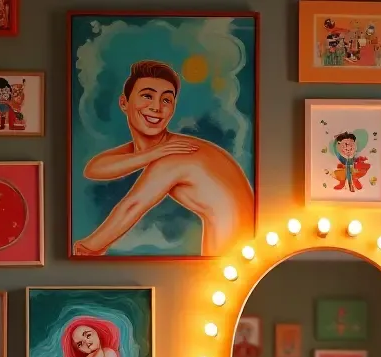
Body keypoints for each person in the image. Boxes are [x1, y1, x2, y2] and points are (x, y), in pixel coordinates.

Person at [73, 60, 254, 258]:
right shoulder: (159, 150)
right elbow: (94, 169)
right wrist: (150, 154)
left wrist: (87, 249)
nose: (156, 107)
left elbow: (132, 206)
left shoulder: (176, 153)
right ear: (124, 103)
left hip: (234, 250)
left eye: (166, 100)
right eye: (147, 96)